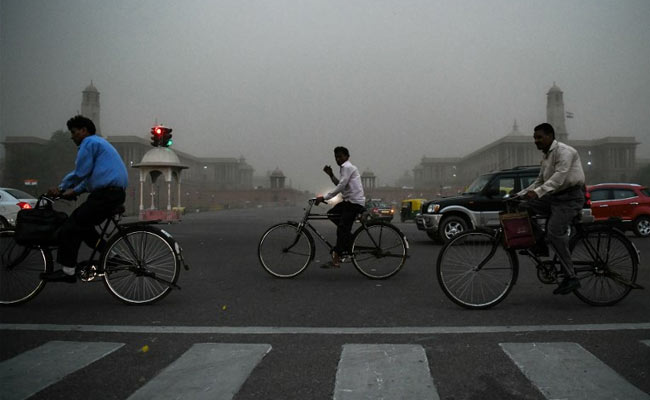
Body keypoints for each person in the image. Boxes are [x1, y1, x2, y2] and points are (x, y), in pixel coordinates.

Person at [40, 115, 128, 283]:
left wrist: (61, 187)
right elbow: (90, 179)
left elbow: (81, 172)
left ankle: (68, 270)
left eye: (74, 132)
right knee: (85, 229)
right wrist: (75, 192)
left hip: (105, 195)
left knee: (71, 226)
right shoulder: (99, 143)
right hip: (112, 194)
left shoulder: (89, 143)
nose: (72, 136)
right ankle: (114, 257)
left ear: (84, 130)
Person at [517, 122, 586, 295]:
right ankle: (539, 243)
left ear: (550, 136)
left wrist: (538, 192)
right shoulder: (547, 156)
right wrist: (521, 194)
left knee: (555, 232)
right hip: (554, 197)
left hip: (570, 198)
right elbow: (540, 181)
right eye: (534, 138)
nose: (536, 141)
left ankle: (571, 277)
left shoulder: (565, 152)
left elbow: (559, 178)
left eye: (539, 137)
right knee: (520, 207)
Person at [315, 146, 366, 268]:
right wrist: (331, 175)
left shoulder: (348, 167)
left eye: (340, 156)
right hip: (349, 201)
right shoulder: (345, 169)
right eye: (336, 157)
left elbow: (341, 186)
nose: (338, 159)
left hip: (354, 203)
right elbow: (341, 184)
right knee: (332, 215)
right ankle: (349, 240)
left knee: (342, 228)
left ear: (347, 157)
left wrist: (324, 197)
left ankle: (337, 257)